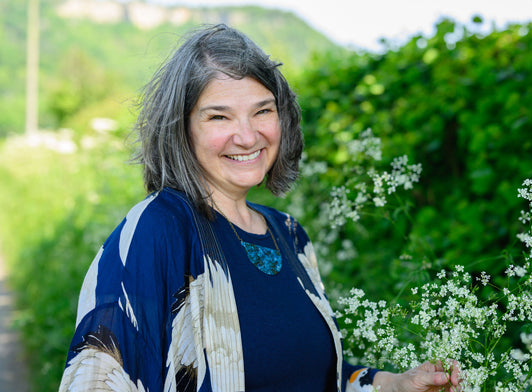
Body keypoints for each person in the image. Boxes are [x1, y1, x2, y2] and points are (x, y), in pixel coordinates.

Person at [59, 24, 460, 392]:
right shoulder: (159, 229)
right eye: (219, 116)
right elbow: (96, 378)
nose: (248, 136)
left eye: (262, 111)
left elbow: (314, 374)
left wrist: (392, 385)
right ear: (181, 129)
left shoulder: (288, 234)